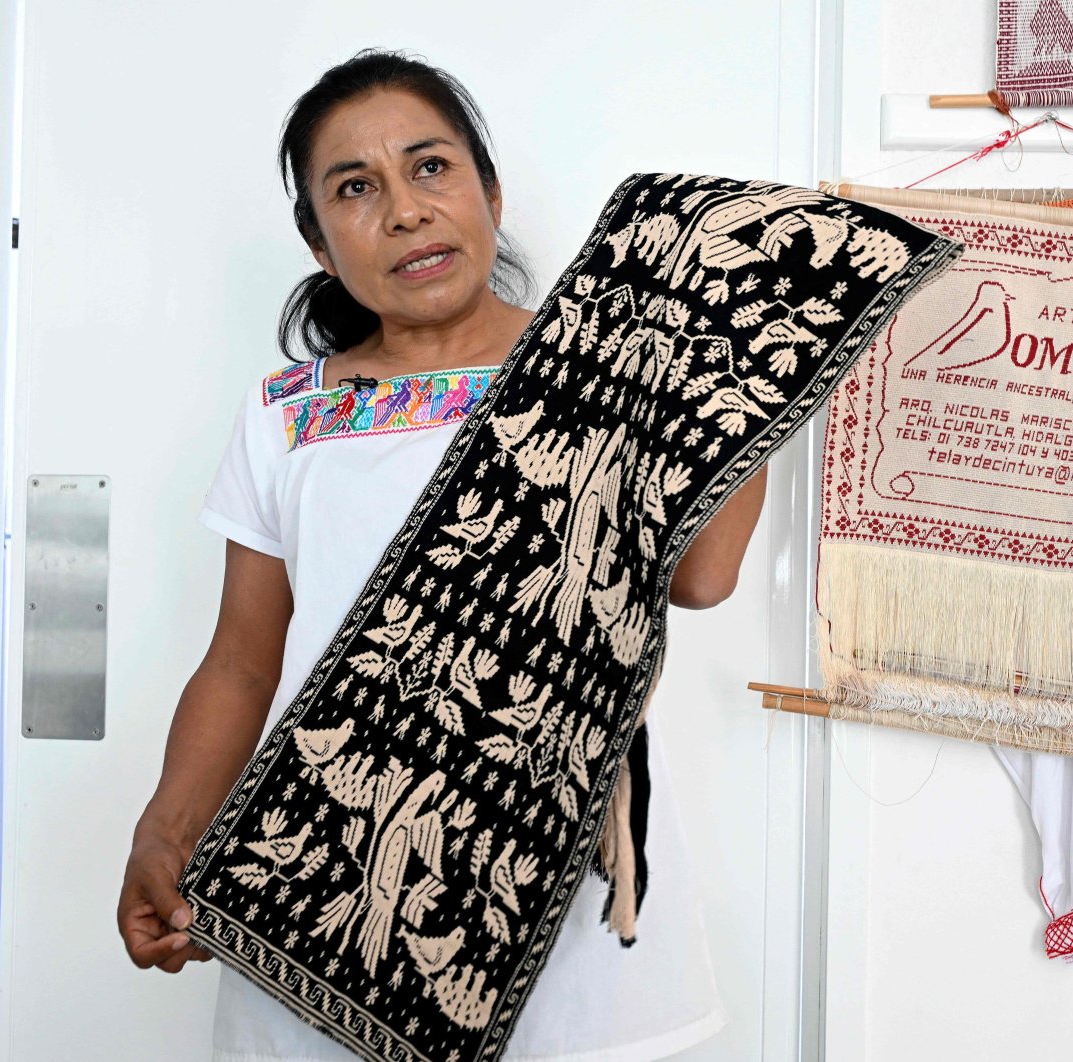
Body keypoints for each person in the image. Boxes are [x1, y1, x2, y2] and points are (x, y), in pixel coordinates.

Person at [117, 49, 764, 1060]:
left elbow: (700, 575)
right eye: (355, 188)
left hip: (559, 869)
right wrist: (164, 834)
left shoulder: (601, 373)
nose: (407, 210)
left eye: (430, 168)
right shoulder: (290, 415)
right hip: (335, 872)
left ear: (489, 192)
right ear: (320, 243)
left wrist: (738, 380)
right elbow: (243, 659)